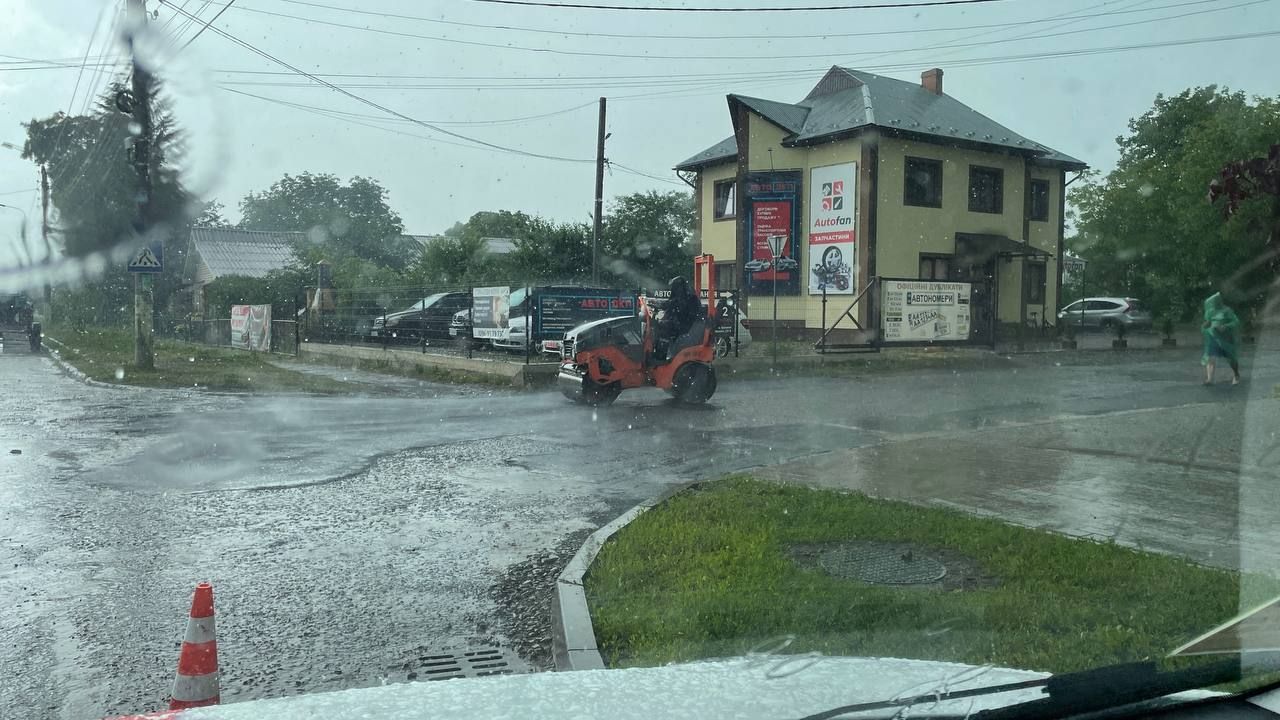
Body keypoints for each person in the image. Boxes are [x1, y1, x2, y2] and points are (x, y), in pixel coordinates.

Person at [655, 276, 702, 361]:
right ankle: (661, 356)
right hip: (683, 325)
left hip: (686, 327)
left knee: (662, 330)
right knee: (661, 326)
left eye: (674, 287)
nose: (673, 290)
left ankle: (660, 359)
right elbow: (672, 305)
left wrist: (662, 306)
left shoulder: (689, 299)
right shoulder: (686, 296)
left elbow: (675, 305)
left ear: (679, 287)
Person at [1201, 292, 1242, 385]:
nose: (1213, 304)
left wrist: (1226, 326)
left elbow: (1236, 322)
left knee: (1231, 358)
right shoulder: (1210, 311)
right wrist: (1205, 325)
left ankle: (1236, 374)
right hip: (1213, 337)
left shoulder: (1227, 310)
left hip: (1226, 338)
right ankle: (1209, 379)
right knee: (1210, 357)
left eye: (1215, 302)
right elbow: (1208, 322)